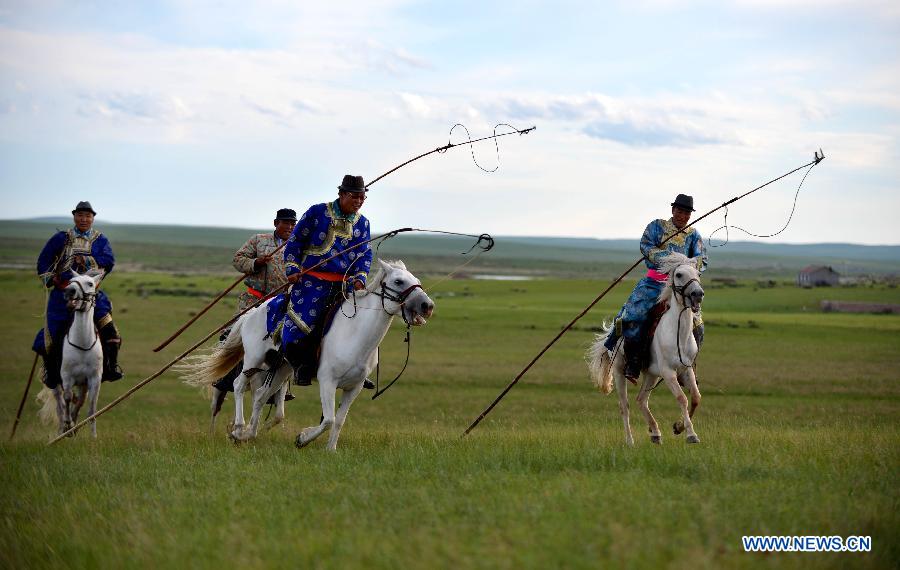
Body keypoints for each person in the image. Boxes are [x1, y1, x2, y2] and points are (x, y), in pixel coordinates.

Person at [280, 174, 374, 387]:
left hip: (345, 285)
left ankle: (357, 369)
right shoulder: (317, 213)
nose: (358, 202)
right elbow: (295, 242)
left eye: (362, 198)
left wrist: (360, 277)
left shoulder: (363, 223)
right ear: (341, 194)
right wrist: (292, 268)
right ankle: (303, 365)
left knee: (362, 322)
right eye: (354, 197)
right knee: (310, 323)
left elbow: (365, 254)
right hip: (313, 282)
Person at [604, 194, 708, 380]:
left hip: (681, 288)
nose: (682, 216)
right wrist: (668, 259)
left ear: (690, 215)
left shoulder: (694, 236)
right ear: (672, 210)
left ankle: (687, 366)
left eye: (686, 213)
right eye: (679, 211)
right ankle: (634, 363)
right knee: (636, 316)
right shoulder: (656, 227)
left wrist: (686, 264)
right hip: (654, 284)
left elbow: (702, 259)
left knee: (698, 327)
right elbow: (646, 246)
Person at [32, 201, 124, 388]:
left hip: (90, 293)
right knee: (51, 335)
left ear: (92, 218)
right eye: (80, 215)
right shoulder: (61, 238)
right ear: (74, 217)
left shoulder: (101, 240)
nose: (84, 219)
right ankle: (51, 373)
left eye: (88, 216)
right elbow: (43, 261)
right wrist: (52, 280)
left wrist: (88, 260)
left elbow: (109, 261)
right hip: (63, 293)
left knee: (109, 329)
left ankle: (110, 367)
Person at [212, 208, 296, 395]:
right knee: (231, 333)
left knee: (287, 338)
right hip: (253, 298)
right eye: (286, 223)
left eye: (293, 223)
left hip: (280, 301)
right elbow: (238, 259)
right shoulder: (259, 240)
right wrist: (256, 263)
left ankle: (283, 385)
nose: (290, 227)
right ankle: (224, 375)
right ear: (276, 223)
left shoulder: (298, 245)